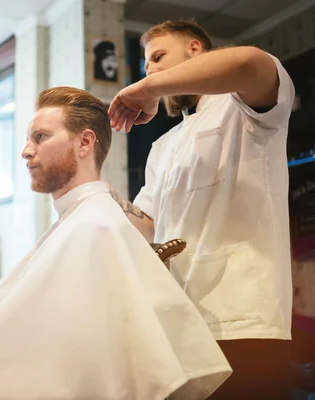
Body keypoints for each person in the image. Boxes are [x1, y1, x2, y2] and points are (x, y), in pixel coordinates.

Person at [0, 87, 230, 400]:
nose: (26, 151)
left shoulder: (95, 226)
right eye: (28, 139)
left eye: (40, 137)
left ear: (85, 143)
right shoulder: (82, 218)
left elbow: (77, 367)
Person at [107, 20, 295, 399]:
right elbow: (146, 225)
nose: (151, 70)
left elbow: (248, 62)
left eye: (159, 57)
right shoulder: (163, 146)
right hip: (183, 325)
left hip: (245, 319)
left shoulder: (247, 108)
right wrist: (93, 191)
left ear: (196, 49)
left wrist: (147, 88)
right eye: (145, 66)